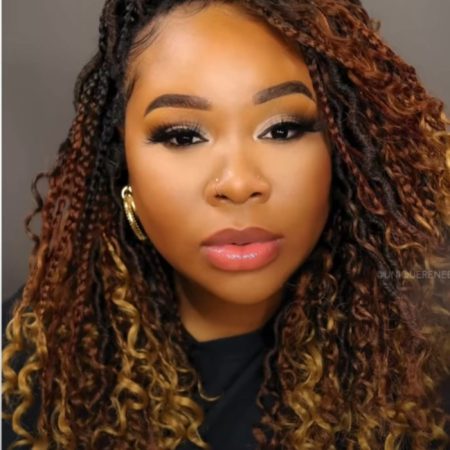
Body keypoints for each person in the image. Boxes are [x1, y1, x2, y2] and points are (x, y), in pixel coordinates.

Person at [2, 0, 450, 448]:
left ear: (345, 148)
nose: (238, 184)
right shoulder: (25, 365)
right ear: (123, 165)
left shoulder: (425, 361)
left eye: (283, 129)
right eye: (183, 136)